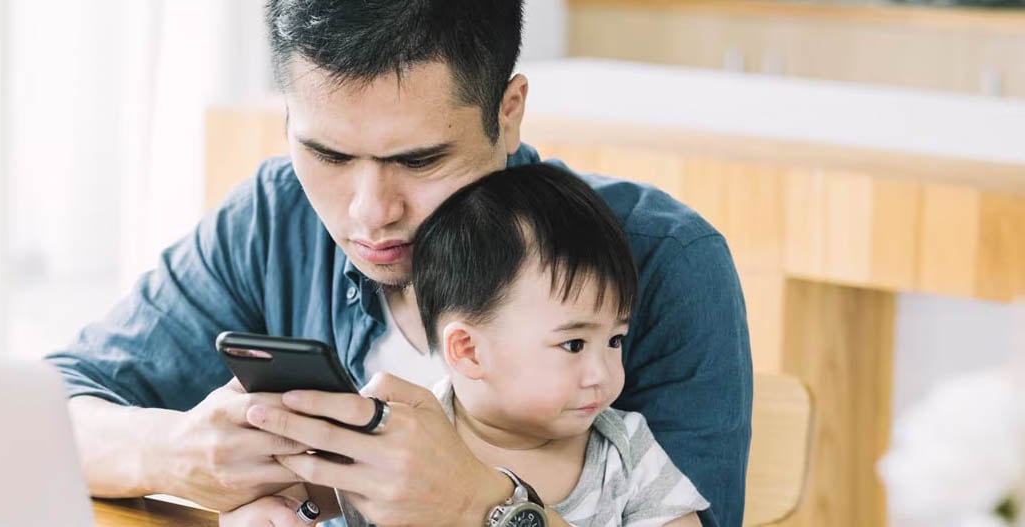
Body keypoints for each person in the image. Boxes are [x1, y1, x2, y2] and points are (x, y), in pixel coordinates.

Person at [44, 1, 753, 526]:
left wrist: (483, 505)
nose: (368, 212)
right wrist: (177, 451)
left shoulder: (662, 261)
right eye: (326, 153)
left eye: (419, 159)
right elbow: (48, 409)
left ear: (507, 113)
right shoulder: (274, 216)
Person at [224, 163, 712, 527]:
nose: (603, 373)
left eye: (615, 340)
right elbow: (295, 495)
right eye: (574, 345)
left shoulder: (626, 453)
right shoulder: (408, 439)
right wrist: (266, 508)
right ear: (469, 351)